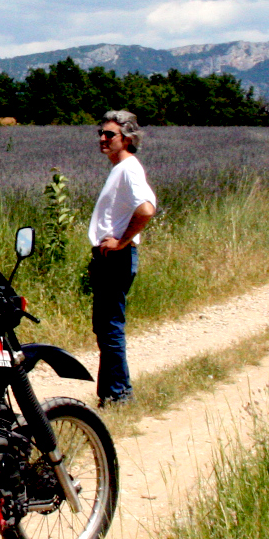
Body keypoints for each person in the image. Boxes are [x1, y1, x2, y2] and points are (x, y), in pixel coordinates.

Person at [88, 110, 156, 406]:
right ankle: (109, 394)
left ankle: (119, 395)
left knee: (111, 327)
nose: (103, 139)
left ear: (127, 138)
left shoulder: (129, 168)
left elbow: (146, 209)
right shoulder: (119, 168)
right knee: (105, 327)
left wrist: (121, 241)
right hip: (108, 258)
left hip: (115, 258)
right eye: (101, 134)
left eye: (109, 134)